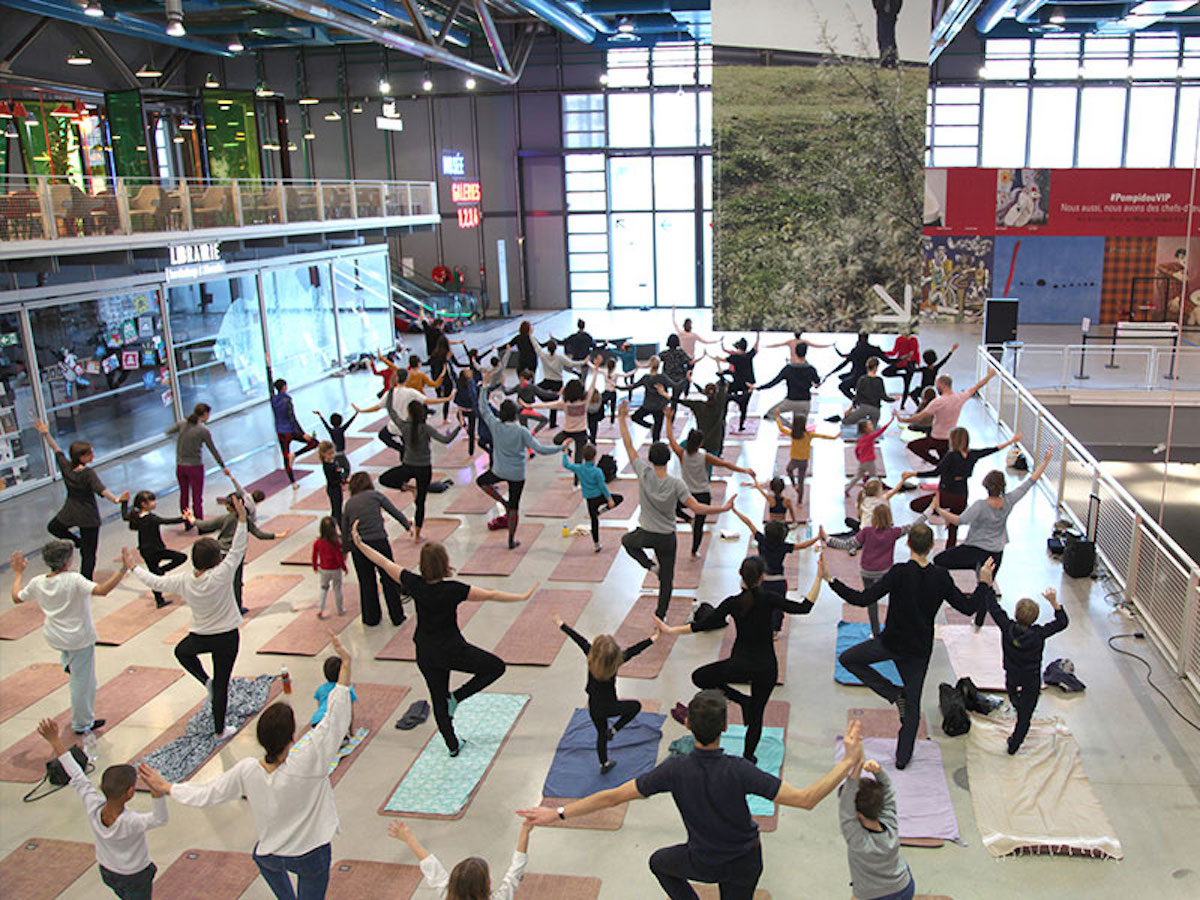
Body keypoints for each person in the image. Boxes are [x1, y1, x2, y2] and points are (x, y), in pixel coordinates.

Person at [517, 691, 866, 900]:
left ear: (687, 726)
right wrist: (848, 761)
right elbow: (806, 799)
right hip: (746, 862)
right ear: (727, 728)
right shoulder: (738, 769)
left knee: (659, 863)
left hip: (702, 860)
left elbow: (612, 797)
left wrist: (558, 813)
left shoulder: (674, 769)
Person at [139, 635, 355, 900]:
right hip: (312, 854)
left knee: (261, 857)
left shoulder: (248, 770)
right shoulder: (310, 760)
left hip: (275, 853)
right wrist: (346, 663)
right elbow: (336, 717)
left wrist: (168, 786)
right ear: (292, 737)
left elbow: (208, 793)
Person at [826, 525, 995, 768]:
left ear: (908, 545)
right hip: (918, 651)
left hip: (891, 643)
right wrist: (983, 583)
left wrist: (831, 580)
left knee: (849, 659)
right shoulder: (941, 577)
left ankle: (894, 694)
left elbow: (862, 599)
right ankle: (902, 758)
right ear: (930, 547)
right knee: (912, 709)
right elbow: (968, 608)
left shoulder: (899, 572)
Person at [351, 536, 536, 757]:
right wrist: (521, 597)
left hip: (426, 653)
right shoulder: (453, 589)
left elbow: (383, 562)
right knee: (496, 667)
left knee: (438, 698)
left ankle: (453, 746)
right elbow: (492, 595)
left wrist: (360, 545)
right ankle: (457, 697)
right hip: (452, 650)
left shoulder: (414, 583)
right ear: (444, 563)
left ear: (423, 565)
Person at [659, 557, 817, 762]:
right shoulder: (770, 598)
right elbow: (804, 607)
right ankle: (748, 756)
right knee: (757, 715)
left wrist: (671, 630)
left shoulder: (732, 603)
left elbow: (703, 624)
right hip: (766, 667)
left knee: (700, 677)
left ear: (740, 573)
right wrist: (820, 577)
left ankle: (742, 701)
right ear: (762, 577)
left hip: (739, 665)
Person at [126, 497, 248, 740]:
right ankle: (219, 730)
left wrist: (133, 567)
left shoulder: (184, 581)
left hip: (201, 636)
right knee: (222, 682)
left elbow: (156, 581)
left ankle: (206, 681)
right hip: (226, 637)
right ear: (217, 560)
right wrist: (242, 519)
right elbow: (238, 548)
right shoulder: (222, 574)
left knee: (182, 652)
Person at [616, 401, 734, 618]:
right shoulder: (677, 484)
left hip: (646, 534)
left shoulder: (643, 473)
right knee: (667, 581)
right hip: (668, 537)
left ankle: (650, 566)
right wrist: (723, 508)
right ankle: (660, 615)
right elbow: (697, 508)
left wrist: (622, 418)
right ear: (669, 458)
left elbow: (628, 444)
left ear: (650, 459)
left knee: (626, 541)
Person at [37, 718, 168, 900]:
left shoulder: (94, 806)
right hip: (135, 876)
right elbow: (160, 819)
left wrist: (55, 742)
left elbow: (76, 775)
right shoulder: (131, 821)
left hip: (108, 871)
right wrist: (157, 790)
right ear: (130, 793)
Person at [10, 543, 129, 735]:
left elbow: (17, 597)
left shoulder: (38, 581)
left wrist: (18, 573)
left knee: (74, 664)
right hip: (78, 639)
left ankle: (68, 663)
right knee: (84, 683)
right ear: (68, 560)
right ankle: (82, 723)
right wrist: (122, 569)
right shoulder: (73, 579)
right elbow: (102, 590)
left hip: (55, 636)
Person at [933, 449, 1053, 610]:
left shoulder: (980, 506)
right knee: (986, 588)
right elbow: (1030, 482)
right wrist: (1045, 463)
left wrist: (939, 510)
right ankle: (979, 622)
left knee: (939, 561)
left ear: (986, 485)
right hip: (996, 552)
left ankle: (956, 587)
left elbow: (960, 520)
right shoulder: (1009, 501)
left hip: (974, 549)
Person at [557, 612, 656, 773]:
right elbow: (634, 650)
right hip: (612, 706)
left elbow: (578, 639)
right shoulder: (616, 662)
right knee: (635, 706)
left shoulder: (591, 656)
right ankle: (615, 730)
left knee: (600, 735)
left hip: (594, 708)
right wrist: (652, 639)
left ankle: (604, 763)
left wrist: (561, 624)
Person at [34, 418, 128, 581]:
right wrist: (116, 500)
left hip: (70, 509)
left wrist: (46, 434)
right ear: (81, 457)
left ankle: (77, 542)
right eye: (90, 453)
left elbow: (55, 449)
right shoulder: (88, 473)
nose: (93, 455)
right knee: (89, 552)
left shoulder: (66, 467)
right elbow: (101, 489)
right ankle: (86, 580)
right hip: (88, 515)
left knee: (55, 527)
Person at [901, 427, 1022, 547]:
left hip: (946, 495)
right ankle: (949, 551)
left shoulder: (951, 456)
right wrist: (1011, 441)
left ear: (953, 440)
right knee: (953, 529)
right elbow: (991, 450)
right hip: (962, 497)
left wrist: (913, 474)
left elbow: (936, 472)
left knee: (915, 505)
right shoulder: (972, 455)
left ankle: (940, 512)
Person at [476, 385, 560, 550]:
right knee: (515, 508)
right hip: (517, 474)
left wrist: (484, 389)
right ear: (515, 414)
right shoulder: (522, 431)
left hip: (499, 470)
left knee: (482, 481)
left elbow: (483, 408)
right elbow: (540, 449)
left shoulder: (495, 425)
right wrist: (561, 448)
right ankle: (510, 540)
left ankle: (503, 502)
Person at [986, 587, 1069, 754]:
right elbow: (1062, 623)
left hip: (1012, 674)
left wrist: (988, 584)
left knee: (1013, 694)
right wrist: (1054, 602)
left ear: (1016, 614)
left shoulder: (1007, 628)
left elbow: (994, 608)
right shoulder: (1039, 634)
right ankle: (1015, 743)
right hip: (1031, 678)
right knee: (1025, 715)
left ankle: (1017, 703)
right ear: (1035, 618)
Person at [823, 506, 927, 638]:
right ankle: (893, 629)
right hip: (887, 574)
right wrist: (929, 510)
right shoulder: (894, 532)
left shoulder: (866, 532)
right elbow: (914, 525)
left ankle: (876, 632)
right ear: (889, 517)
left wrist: (827, 539)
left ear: (874, 517)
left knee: (871, 601)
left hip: (868, 573)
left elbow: (847, 545)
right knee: (895, 600)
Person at [665, 408, 755, 557]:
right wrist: (744, 470)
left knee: (672, 506)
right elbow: (725, 464)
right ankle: (694, 552)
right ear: (700, 443)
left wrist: (668, 419)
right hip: (702, 494)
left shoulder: (682, 453)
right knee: (699, 526)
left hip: (686, 494)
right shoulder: (704, 456)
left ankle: (688, 519)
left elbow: (670, 438)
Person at [196, 480, 285, 615]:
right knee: (236, 582)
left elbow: (206, 525)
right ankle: (237, 607)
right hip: (235, 555)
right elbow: (259, 534)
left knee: (220, 580)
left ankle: (219, 606)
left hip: (221, 553)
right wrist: (276, 535)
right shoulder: (245, 520)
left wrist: (192, 520)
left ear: (228, 507)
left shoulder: (226, 518)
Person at [727, 508, 820, 634]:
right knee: (778, 607)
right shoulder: (784, 546)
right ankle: (775, 630)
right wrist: (818, 537)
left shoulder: (761, 540)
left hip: (762, 581)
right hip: (778, 582)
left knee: (759, 604)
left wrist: (734, 510)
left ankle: (760, 626)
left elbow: (748, 523)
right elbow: (803, 545)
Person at [389, 819, 531, 900]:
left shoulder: (447, 894)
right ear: (487, 883)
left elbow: (432, 868)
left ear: (454, 882)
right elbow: (515, 871)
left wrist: (409, 839)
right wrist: (525, 830)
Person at [379, 402, 460, 540]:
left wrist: (392, 390)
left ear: (409, 413)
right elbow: (446, 440)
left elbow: (392, 412)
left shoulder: (404, 426)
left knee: (384, 479)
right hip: (424, 468)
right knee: (420, 502)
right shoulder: (425, 428)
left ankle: (408, 488)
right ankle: (417, 534)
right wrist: (459, 426)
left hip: (408, 466)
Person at [341, 471, 412, 627]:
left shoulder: (349, 503)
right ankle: (397, 616)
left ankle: (371, 618)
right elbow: (394, 511)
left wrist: (345, 550)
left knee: (366, 583)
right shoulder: (376, 495)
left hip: (359, 546)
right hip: (379, 542)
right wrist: (407, 526)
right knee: (389, 579)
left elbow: (345, 528)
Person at [839, 759, 913, 900]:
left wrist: (855, 770)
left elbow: (845, 808)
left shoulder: (858, 841)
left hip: (874, 896)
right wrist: (878, 772)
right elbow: (889, 791)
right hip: (904, 886)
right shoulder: (890, 823)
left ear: (857, 815)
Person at [899, 369, 994, 465]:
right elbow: (977, 386)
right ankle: (941, 466)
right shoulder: (960, 397)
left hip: (936, 438)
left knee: (913, 446)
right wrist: (989, 376)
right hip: (949, 439)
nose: (937, 388)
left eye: (937, 385)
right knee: (947, 462)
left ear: (942, 385)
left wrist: (903, 419)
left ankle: (937, 463)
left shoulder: (938, 402)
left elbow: (920, 416)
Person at [122, 490, 192, 608]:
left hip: (145, 551)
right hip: (157, 550)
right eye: (152, 501)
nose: (155, 503)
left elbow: (124, 516)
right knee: (181, 557)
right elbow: (167, 521)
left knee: (154, 576)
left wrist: (124, 502)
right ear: (144, 504)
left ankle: (159, 600)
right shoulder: (151, 518)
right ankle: (162, 571)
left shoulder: (137, 517)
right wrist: (184, 518)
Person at [167, 402, 228, 523]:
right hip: (195, 466)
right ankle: (199, 523)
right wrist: (222, 465)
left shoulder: (182, 423)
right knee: (197, 497)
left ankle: (187, 521)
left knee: (184, 495)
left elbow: (169, 431)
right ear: (205, 414)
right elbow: (212, 449)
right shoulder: (203, 430)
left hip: (180, 465)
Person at [562, 444, 622, 552]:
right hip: (599, 496)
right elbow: (602, 486)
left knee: (594, 521)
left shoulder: (579, 468)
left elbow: (566, 465)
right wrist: (609, 499)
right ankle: (602, 511)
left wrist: (565, 454)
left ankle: (596, 544)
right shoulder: (597, 471)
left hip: (589, 499)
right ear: (595, 456)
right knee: (619, 498)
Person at [775, 419, 837, 505]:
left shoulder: (793, 434)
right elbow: (822, 436)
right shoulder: (809, 434)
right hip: (804, 461)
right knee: (801, 482)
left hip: (794, 460)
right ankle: (799, 502)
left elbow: (782, 429)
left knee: (789, 470)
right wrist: (834, 437)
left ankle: (793, 484)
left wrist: (778, 418)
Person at [270, 380, 319, 488]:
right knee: (314, 443)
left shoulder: (273, 399)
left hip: (280, 432)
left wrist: (268, 368)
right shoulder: (287, 400)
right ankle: (296, 454)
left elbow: (270, 385)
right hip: (291, 430)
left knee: (285, 456)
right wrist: (302, 433)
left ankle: (293, 483)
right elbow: (292, 418)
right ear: (284, 387)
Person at [758, 345, 821, 427]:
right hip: (805, 402)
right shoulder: (811, 369)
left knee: (771, 413)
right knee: (801, 429)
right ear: (806, 353)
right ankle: (796, 429)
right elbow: (817, 382)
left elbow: (773, 382)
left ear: (795, 353)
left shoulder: (788, 369)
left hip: (790, 401)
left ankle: (790, 426)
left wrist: (758, 388)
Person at [625, 356, 676, 442]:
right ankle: (656, 449)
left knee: (635, 417)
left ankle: (650, 426)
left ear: (650, 365)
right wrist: (687, 379)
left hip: (648, 406)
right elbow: (675, 385)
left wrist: (617, 387)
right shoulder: (662, 377)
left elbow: (633, 386)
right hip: (659, 407)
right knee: (657, 435)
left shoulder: (646, 378)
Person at [827, 333, 888, 402]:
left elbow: (844, 363)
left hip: (857, 376)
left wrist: (830, 373)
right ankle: (857, 399)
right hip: (863, 375)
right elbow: (888, 361)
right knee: (842, 377)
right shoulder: (874, 349)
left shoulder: (856, 350)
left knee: (842, 386)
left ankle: (856, 400)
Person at [717, 335, 759, 431]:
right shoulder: (748, 356)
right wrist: (757, 336)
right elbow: (755, 347)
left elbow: (722, 360)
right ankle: (741, 425)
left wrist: (717, 360)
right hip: (747, 384)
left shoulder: (734, 357)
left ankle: (722, 420)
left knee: (726, 399)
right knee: (744, 406)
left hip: (737, 383)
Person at [534, 338, 579, 427]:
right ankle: (552, 422)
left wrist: (530, 335)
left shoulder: (544, 355)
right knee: (555, 401)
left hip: (547, 380)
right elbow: (571, 364)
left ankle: (547, 400)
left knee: (535, 389)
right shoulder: (560, 357)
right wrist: (584, 361)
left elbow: (537, 347)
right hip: (557, 382)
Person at [838, 357, 894, 426]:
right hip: (875, 410)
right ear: (876, 367)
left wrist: (849, 410)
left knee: (845, 422)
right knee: (871, 429)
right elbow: (884, 397)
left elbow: (857, 397)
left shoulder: (862, 379)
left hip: (863, 409)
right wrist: (893, 399)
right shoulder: (879, 380)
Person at [847, 415, 895, 495]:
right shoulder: (870, 437)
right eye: (870, 425)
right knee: (874, 476)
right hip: (869, 461)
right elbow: (880, 431)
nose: (872, 425)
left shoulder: (861, 439)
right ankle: (878, 490)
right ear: (865, 429)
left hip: (862, 462)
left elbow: (856, 450)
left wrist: (859, 458)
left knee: (857, 476)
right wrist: (890, 421)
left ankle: (847, 489)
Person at [312, 516, 347, 619]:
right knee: (337, 589)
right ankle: (340, 610)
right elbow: (338, 557)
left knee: (323, 588)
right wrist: (344, 567)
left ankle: (320, 609)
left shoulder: (317, 543)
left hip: (324, 569)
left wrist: (315, 566)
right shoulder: (335, 543)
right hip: (335, 569)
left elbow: (314, 555)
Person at [312, 654, 356, 731]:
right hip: (334, 724)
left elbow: (319, 707)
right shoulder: (347, 689)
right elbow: (350, 712)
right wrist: (350, 730)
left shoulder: (321, 689)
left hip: (317, 722)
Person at [318, 442, 349, 523]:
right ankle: (336, 525)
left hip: (336, 488)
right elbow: (333, 480)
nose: (332, 455)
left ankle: (336, 524)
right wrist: (340, 478)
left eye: (333, 453)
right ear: (323, 454)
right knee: (336, 510)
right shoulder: (328, 466)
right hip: (333, 489)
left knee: (338, 508)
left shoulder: (332, 464)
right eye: (329, 454)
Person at [659, 334, 695, 404]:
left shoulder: (664, 354)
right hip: (679, 379)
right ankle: (673, 411)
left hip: (667, 377)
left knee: (665, 397)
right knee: (675, 399)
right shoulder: (681, 353)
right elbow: (690, 362)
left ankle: (666, 409)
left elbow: (656, 361)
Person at [873, 0, 902, 67]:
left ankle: (890, 59)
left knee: (888, 36)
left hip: (890, 9)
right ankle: (886, 58)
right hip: (882, 9)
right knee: (883, 35)